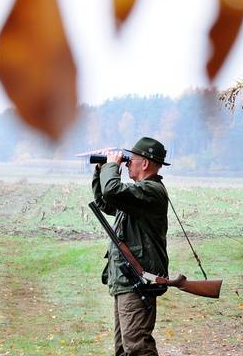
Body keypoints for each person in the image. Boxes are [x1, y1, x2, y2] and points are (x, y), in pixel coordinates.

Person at [92, 137, 170, 356]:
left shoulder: (151, 191)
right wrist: (101, 170)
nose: (127, 164)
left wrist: (111, 166)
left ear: (144, 163)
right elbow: (106, 202)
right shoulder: (138, 194)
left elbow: (113, 192)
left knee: (137, 348)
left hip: (137, 281)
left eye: (130, 160)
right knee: (124, 349)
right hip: (127, 280)